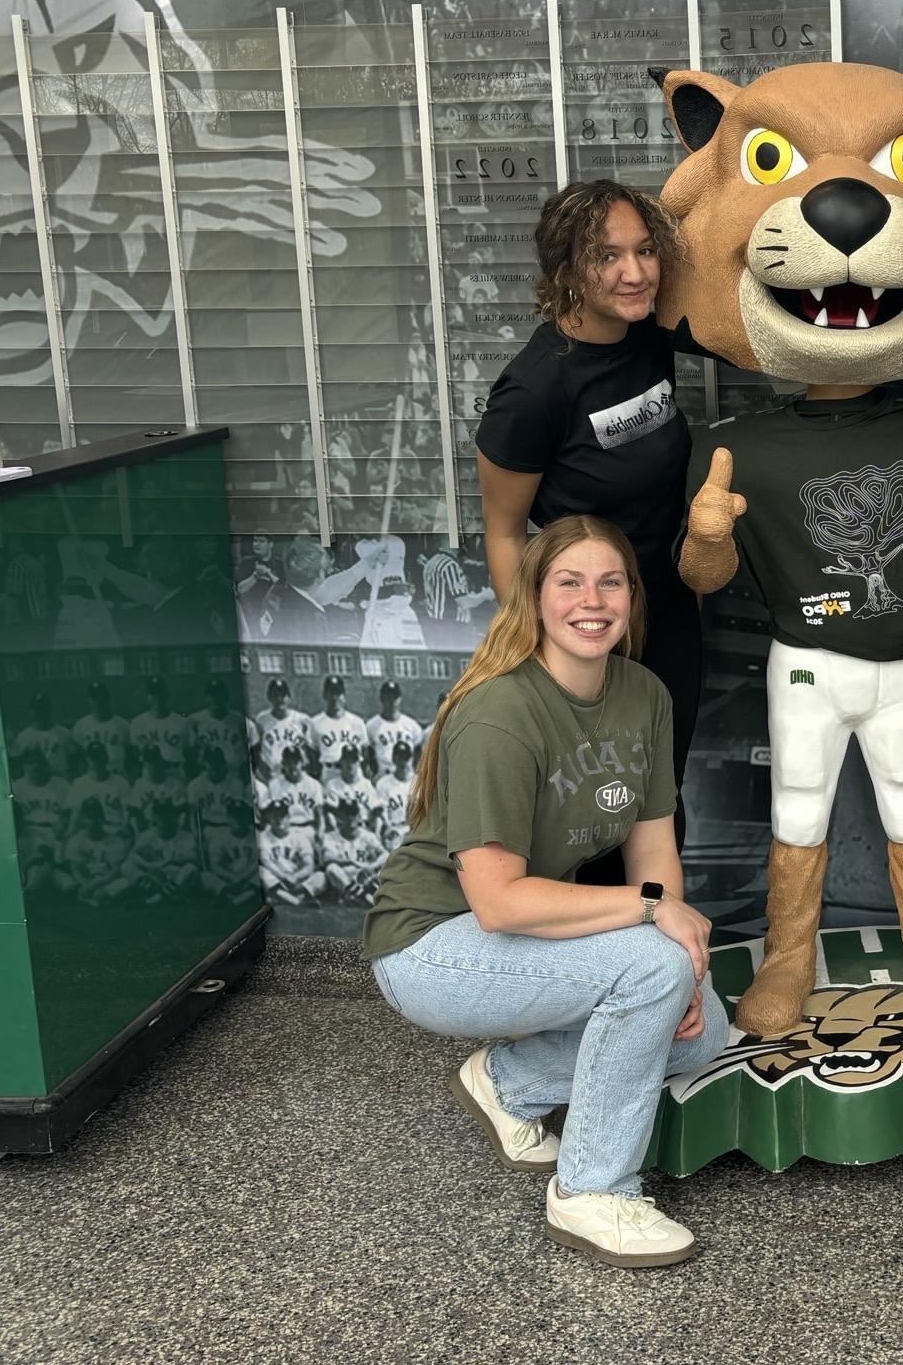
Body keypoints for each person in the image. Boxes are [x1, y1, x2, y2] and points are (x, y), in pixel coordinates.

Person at [362, 515, 726, 1268]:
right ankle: (593, 1191)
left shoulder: (642, 693)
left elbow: (652, 845)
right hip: (433, 944)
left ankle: (508, 1084)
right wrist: (653, 915)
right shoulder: (500, 713)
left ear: (632, 596)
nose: (591, 600)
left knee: (704, 1027)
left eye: (610, 581)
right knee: (651, 970)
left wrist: (683, 953)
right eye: (569, 581)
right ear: (534, 596)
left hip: (523, 934)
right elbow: (497, 902)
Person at [475, 180, 703, 822]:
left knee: (661, 791)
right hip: (591, 616)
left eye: (646, 250)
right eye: (607, 257)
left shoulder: (651, 337)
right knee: (599, 801)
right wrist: (539, 650)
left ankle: (654, 918)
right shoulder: (534, 391)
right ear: (566, 269)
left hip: (668, 606)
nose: (634, 273)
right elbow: (503, 532)